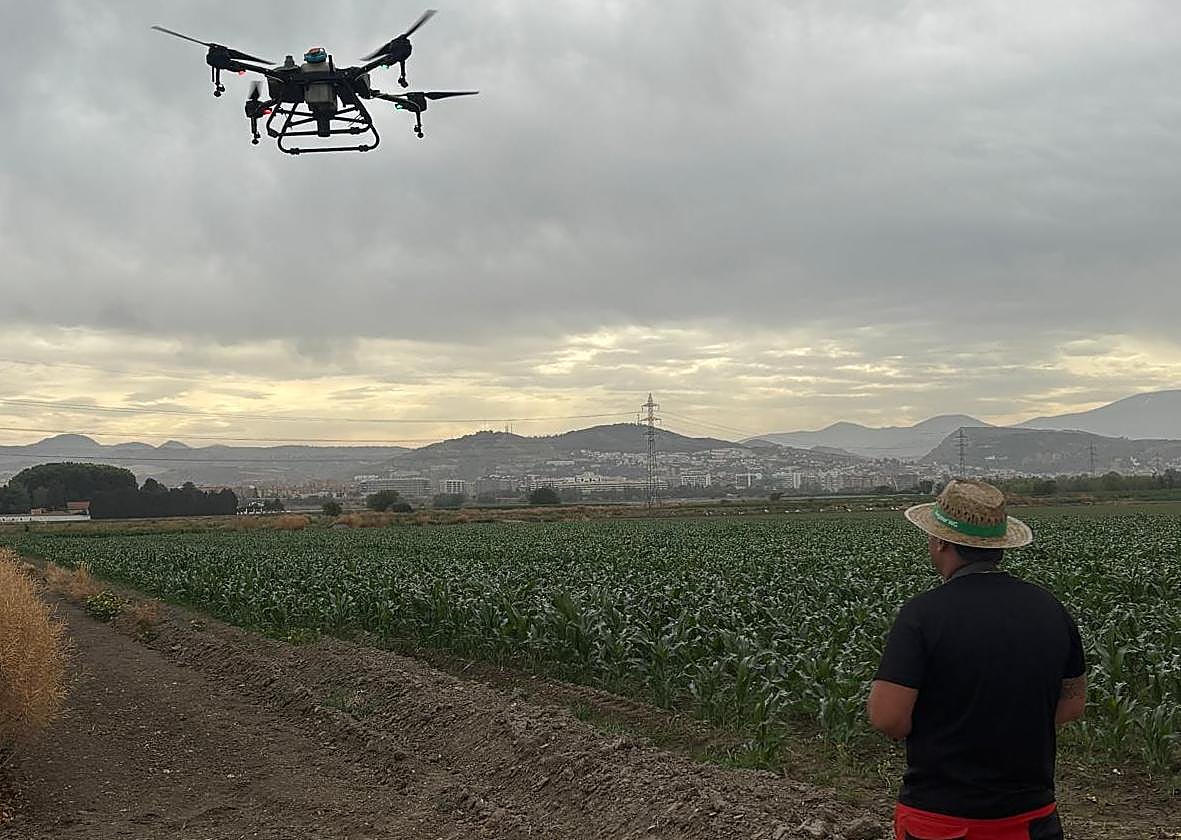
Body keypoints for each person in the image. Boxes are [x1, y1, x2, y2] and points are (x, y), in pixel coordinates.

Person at [868, 479, 1086, 840]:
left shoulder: (923, 615)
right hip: (1032, 817)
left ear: (939, 542)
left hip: (942, 820)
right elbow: (1073, 704)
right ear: (998, 545)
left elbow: (887, 717)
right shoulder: (1050, 609)